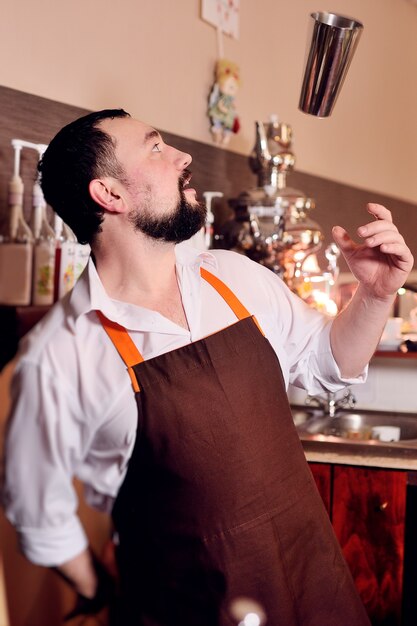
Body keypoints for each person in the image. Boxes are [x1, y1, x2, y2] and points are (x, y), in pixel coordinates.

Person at [2, 108, 413, 626]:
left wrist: (376, 297)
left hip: (315, 588)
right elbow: (40, 518)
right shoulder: (60, 355)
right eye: (155, 148)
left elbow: (327, 365)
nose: (182, 156)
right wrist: (106, 594)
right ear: (110, 195)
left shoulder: (235, 278)